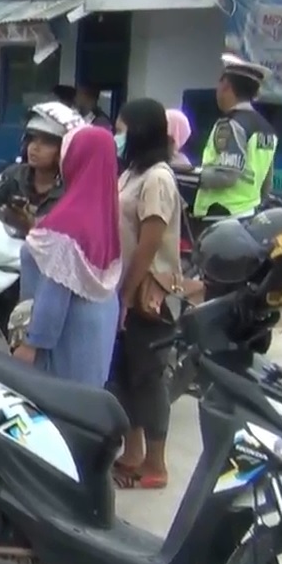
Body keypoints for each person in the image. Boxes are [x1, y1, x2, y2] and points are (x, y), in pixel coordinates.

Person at [109, 99, 184, 490]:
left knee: (148, 376)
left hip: (147, 293)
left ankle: (156, 461)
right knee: (123, 372)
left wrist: (128, 292)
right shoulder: (131, 174)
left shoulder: (158, 178)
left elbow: (150, 241)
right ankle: (133, 452)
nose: (117, 136)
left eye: (122, 129)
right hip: (123, 286)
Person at [13, 126, 122, 387]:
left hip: (67, 337)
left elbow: (53, 294)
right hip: (98, 330)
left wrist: (31, 345)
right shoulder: (104, 210)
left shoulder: (68, 222)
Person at [0, 102, 84, 231]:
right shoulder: (16, 174)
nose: (34, 147)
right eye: (32, 139)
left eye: (47, 142)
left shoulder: (74, 189)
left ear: (65, 148)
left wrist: (33, 226)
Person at [193, 54, 277, 224]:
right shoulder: (268, 128)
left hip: (220, 215)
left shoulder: (230, 125)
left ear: (226, 86)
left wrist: (191, 176)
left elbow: (226, 176)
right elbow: (267, 182)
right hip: (248, 214)